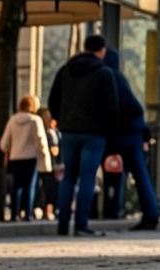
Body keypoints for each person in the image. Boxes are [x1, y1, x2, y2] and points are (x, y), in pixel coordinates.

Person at [47, 33, 119, 236]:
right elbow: (112, 107)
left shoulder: (65, 70)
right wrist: (111, 135)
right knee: (88, 177)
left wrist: (61, 120)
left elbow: (53, 100)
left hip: (69, 131)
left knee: (69, 175)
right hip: (94, 133)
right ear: (102, 51)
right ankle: (81, 224)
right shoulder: (105, 73)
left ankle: (62, 224)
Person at [104, 47, 160, 230]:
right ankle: (151, 212)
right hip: (133, 132)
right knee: (140, 174)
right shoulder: (120, 78)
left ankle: (111, 209)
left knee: (119, 173)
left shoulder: (108, 78)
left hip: (122, 133)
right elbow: (134, 107)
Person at [0, 95, 49, 221]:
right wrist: (44, 155)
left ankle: (14, 214)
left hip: (15, 157)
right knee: (29, 186)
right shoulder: (35, 120)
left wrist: (8, 150)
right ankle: (27, 213)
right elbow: (40, 140)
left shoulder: (12, 120)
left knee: (16, 186)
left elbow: (4, 142)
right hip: (31, 157)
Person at [37, 107, 61, 219]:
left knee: (45, 187)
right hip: (50, 164)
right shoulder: (50, 133)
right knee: (50, 188)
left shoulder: (50, 132)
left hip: (44, 163)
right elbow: (54, 151)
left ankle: (46, 209)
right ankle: (48, 209)